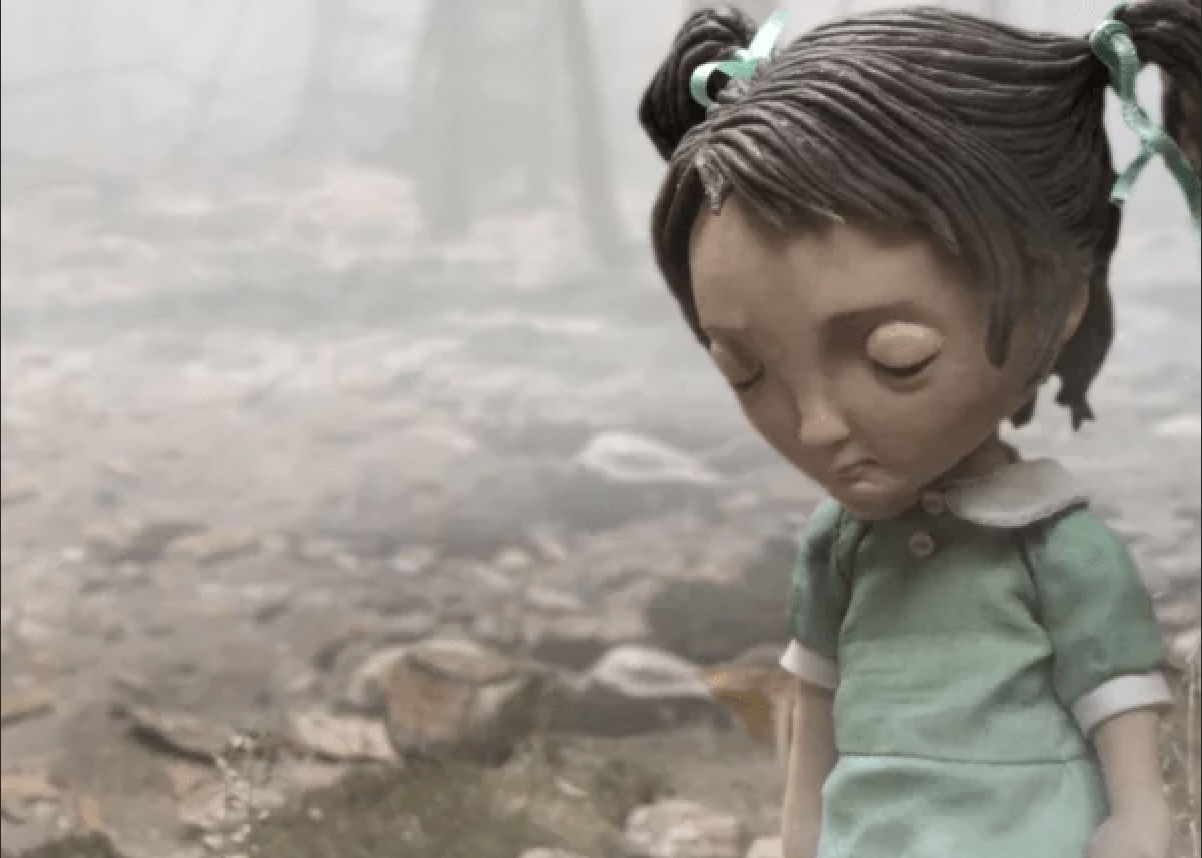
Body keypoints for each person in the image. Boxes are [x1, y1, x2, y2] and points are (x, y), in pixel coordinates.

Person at [636, 3, 1200, 857]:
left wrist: (1138, 818)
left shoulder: (1057, 546)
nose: (817, 427)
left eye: (895, 357)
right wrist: (800, 831)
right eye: (746, 371)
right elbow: (817, 690)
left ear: (1056, 302)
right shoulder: (838, 543)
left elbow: (1113, 690)